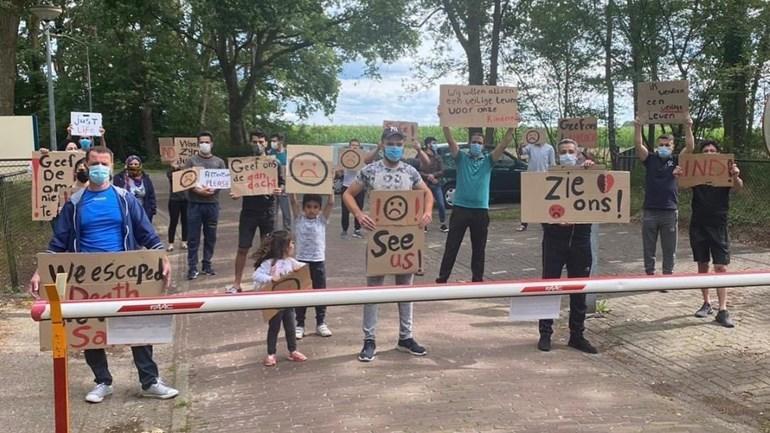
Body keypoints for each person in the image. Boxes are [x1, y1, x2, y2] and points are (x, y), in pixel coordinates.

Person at [27, 145, 178, 403]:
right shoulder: (75, 203)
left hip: (125, 274)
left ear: (111, 166)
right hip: (87, 278)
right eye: (94, 163)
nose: (99, 168)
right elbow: (59, 241)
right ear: (86, 165)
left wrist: (162, 256)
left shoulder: (124, 199)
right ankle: (102, 381)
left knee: (136, 323)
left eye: (104, 163)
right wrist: (40, 271)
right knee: (89, 328)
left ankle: (149, 381)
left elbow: (146, 233)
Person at [343, 127, 434, 362]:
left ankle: (406, 337)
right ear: (382, 144)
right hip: (379, 238)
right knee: (374, 289)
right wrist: (359, 215)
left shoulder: (410, 171)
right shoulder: (370, 170)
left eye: (399, 143)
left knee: (406, 289)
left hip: (406, 238)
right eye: (391, 142)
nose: (395, 147)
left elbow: (427, 194)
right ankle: (369, 339)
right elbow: (348, 194)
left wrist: (426, 212)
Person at [537, 138, 598, 354]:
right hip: (554, 239)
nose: (567, 155)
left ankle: (577, 335)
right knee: (549, 287)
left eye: (571, 151)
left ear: (578, 153)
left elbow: (600, 199)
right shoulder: (547, 179)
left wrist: (591, 170)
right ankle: (545, 334)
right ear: (557, 155)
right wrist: (553, 220)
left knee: (579, 289)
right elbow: (536, 207)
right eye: (563, 151)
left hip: (581, 239)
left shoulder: (588, 175)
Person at [435, 121, 515, 284]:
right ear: (469, 144)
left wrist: (513, 126)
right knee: (452, 245)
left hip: (480, 210)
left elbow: (503, 144)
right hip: (460, 209)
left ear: (483, 145)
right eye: (474, 142)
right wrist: (445, 123)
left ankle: (477, 279)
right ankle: (443, 277)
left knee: (479, 247)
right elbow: (451, 142)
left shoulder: (488, 161)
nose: (476, 145)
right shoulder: (461, 158)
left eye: (479, 143)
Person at [686, 140, 743, 327]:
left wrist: (735, 175)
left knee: (721, 267)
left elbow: (738, 187)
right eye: (706, 150)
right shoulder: (695, 172)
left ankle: (723, 309)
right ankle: (706, 303)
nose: (710, 153)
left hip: (718, 224)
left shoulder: (725, 171)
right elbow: (680, 185)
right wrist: (677, 175)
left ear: (719, 154)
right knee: (702, 265)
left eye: (713, 150)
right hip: (698, 224)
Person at [634, 116, 694, 277]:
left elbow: (690, 147)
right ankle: (650, 274)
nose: (664, 147)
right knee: (649, 247)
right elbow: (638, 145)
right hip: (650, 211)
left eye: (667, 145)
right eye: (661, 145)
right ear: (656, 147)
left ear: (673, 147)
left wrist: (688, 126)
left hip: (669, 210)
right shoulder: (650, 159)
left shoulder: (677, 160)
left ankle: (668, 275)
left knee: (669, 247)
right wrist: (638, 126)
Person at [226, 129, 281, 293]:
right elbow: (238, 185)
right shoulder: (243, 164)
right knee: (243, 248)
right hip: (248, 212)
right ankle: (237, 283)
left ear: (266, 143)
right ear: (250, 143)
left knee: (268, 249)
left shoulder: (274, 163)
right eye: (254, 141)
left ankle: (267, 281)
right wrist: (236, 193)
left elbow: (282, 183)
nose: (258, 145)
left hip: (268, 212)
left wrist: (279, 189)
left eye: (261, 141)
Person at [252, 230, 308, 367]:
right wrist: (270, 278)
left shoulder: (291, 262)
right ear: (284, 247)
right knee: (274, 327)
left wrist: (300, 270)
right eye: (291, 243)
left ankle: (293, 350)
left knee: (290, 326)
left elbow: (303, 269)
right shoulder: (269, 263)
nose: (294, 245)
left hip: (288, 301)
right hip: (273, 302)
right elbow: (256, 275)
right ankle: (271, 353)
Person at [290, 193, 334, 339]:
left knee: (320, 292)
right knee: (302, 293)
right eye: (308, 207)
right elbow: (293, 201)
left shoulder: (321, 220)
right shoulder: (299, 219)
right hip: (301, 262)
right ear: (303, 208)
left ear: (320, 209)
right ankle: (300, 324)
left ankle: (321, 322)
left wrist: (330, 189)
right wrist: (292, 186)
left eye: (315, 207)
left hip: (318, 261)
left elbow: (331, 203)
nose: (312, 210)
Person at [184, 131, 226, 280]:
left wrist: (214, 190)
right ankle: (192, 267)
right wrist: (198, 191)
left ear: (212, 144)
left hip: (212, 205)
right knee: (193, 237)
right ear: (198, 144)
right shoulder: (191, 161)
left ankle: (207, 264)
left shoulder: (219, 162)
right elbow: (186, 181)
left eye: (207, 142)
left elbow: (222, 182)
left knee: (211, 236)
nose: (204, 144)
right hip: (194, 204)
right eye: (201, 142)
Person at [517, 136, 556, 231]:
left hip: (544, 177)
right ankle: (524, 224)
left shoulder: (549, 148)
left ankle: (546, 222)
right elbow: (522, 153)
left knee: (544, 200)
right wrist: (520, 147)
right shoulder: (530, 146)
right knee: (527, 201)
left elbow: (552, 163)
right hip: (531, 177)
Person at [113, 155, 157, 222]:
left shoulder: (145, 178)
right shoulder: (120, 178)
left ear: (140, 165)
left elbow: (151, 194)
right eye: (131, 164)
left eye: (136, 164)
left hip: (144, 212)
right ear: (127, 165)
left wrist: (152, 209)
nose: (133, 166)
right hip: (127, 212)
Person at [418, 136, 448, 233]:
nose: (435, 145)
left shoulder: (437, 156)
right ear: (428, 145)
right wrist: (428, 177)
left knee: (441, 204)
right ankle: (424, 225)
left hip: (436, 184)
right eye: (433, 143)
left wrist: (433, 176)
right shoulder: (420, 156)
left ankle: (443, 224)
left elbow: (442, 170)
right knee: (423, 206)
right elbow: (417, 171)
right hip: (424, 184)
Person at [338, 138, 365, 239]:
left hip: (359, 187)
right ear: (349, 146)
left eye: (356, 146)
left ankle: (357, 230)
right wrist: (338, 171)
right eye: (352, 145)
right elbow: (339, 171)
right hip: (346, 185)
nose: (354, 147)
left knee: (358, 208)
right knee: (345, 210)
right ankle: (344, 230)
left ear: (359, 147)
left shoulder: (362, 158)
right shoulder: (345, 157)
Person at [268, 132, 291, 230]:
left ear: (281, 141)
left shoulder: (288, 154)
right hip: (272, 187)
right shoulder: (269, 153)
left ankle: (287, 234)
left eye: (274, 141)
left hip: (284, 188)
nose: (272, 143)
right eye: (271, 141)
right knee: (273, 213)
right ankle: (273, 235)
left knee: (286, 213)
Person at [166, 164, 188, 252]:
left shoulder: (187, 170)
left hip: (186, 199)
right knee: (173, 221)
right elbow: (170, 176)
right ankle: (171, 243)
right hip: (174, 199)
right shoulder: (171, 171)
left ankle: (184, 241)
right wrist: (175, 168)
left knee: (185, 221)